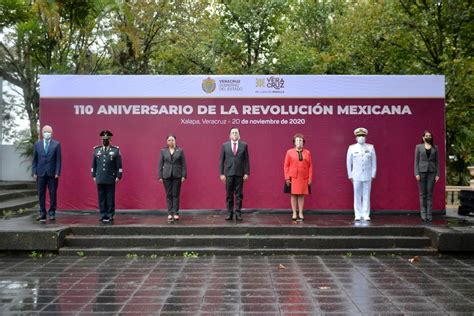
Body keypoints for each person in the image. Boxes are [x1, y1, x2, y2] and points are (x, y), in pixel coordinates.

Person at [32, 125, 62, 222]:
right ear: (42, 133)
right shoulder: (37, 145)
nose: (47, 133)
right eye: (45, 131)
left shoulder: (56, 145)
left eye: (49, 132)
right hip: (40, 174)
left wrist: (57, 172)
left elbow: (58, 160)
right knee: (41, 194)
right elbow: (34, 160)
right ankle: (42, 213)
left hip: (52, 174)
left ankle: (52, 213)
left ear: (52, 133)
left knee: (52, 193)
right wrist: (34, 172)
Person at [219, 127, 250, 221]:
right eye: (233, 132)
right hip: (228, 174)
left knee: (239, 195)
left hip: (240, 174)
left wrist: (247, 173)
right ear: (230, 135)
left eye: (236, 132)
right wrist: (221, 173)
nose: (234, 134)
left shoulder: (244, 145)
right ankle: (229, 213)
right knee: (229, 195)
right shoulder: (225, 145)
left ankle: (238, 213)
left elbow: (246, 160)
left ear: (239, 135)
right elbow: (221, 160)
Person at [91, 130, 122, 223]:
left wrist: (118, 175)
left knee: (110, 197)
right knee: (101, 196)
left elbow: (119, 165)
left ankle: (110, 214)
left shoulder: (115, 150)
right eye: (103, 139)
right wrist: (93, 175)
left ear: (110, 139)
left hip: (110, 177)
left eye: (106, 139)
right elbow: (93, 164)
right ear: (101, 140)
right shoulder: (96, 150)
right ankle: (102, 214)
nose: (105, 140)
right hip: (100, 177)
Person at [346, 127, 376, 221]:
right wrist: (350, 175)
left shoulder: (370, 147)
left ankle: (366, 214)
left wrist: (373, 174)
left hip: (367, 174)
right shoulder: (352, 148)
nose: (361, 137)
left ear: (365, 137)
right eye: (359, 136)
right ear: (356, 137)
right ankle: (358, 214)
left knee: (366, 194)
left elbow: (374, 162)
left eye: (363, 135)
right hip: (356, 175)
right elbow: (348, 162)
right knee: (357, 195)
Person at [284, 133, 313, 222]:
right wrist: (287, 178)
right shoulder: (289, 152)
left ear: (303, 142)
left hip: (303, 177)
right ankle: (294, 213)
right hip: (293, 177)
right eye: (297, 140)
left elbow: (310, 166)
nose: (299, 142)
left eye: (300, 140)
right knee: (293, 195)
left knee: (301, 195)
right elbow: (286, 165)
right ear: (294, 142)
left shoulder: (307, 152)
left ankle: (300, 212)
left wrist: (310, 178)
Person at [158, 134, 187, 222]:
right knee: (168, 195)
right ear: (167, 142)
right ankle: (170, 213)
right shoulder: (163, 151)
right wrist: (160, 176)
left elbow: (183, 164)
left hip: (177, 176)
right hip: (166, 175)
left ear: (175, 141)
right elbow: (160, 164)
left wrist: (183, 175)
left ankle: (176, 213)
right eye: (169, 140)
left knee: (176, 195)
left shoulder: (180, 150)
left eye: (172, 140)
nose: (171, 141)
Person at [414, 130, 440, 223]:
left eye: (430, 136)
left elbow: (437, 162)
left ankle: (429, 215)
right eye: (427, 135)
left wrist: (437, 174)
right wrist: (416, 173)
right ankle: (423, 215)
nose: (428, 137)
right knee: (422, 194)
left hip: (432, 173)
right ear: (423, 137)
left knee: (429, 194)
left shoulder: (435, 148)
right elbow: (416, 162)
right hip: (421, 172)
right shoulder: (418, 147)